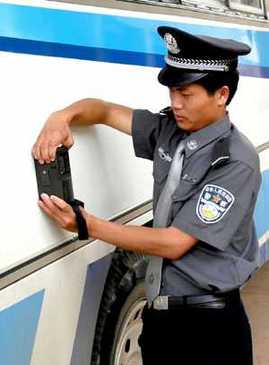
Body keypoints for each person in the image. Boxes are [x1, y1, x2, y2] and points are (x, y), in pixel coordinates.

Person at [32, 26, 261, 364]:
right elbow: (105, 110)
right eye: (172, 92)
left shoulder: (234, 159)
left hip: (209, 329)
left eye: (186, 93)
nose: (175, 103)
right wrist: (62, 117)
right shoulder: (169, 130)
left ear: (222, 94)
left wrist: (87, 225)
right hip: (160, 320)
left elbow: (175, 242)